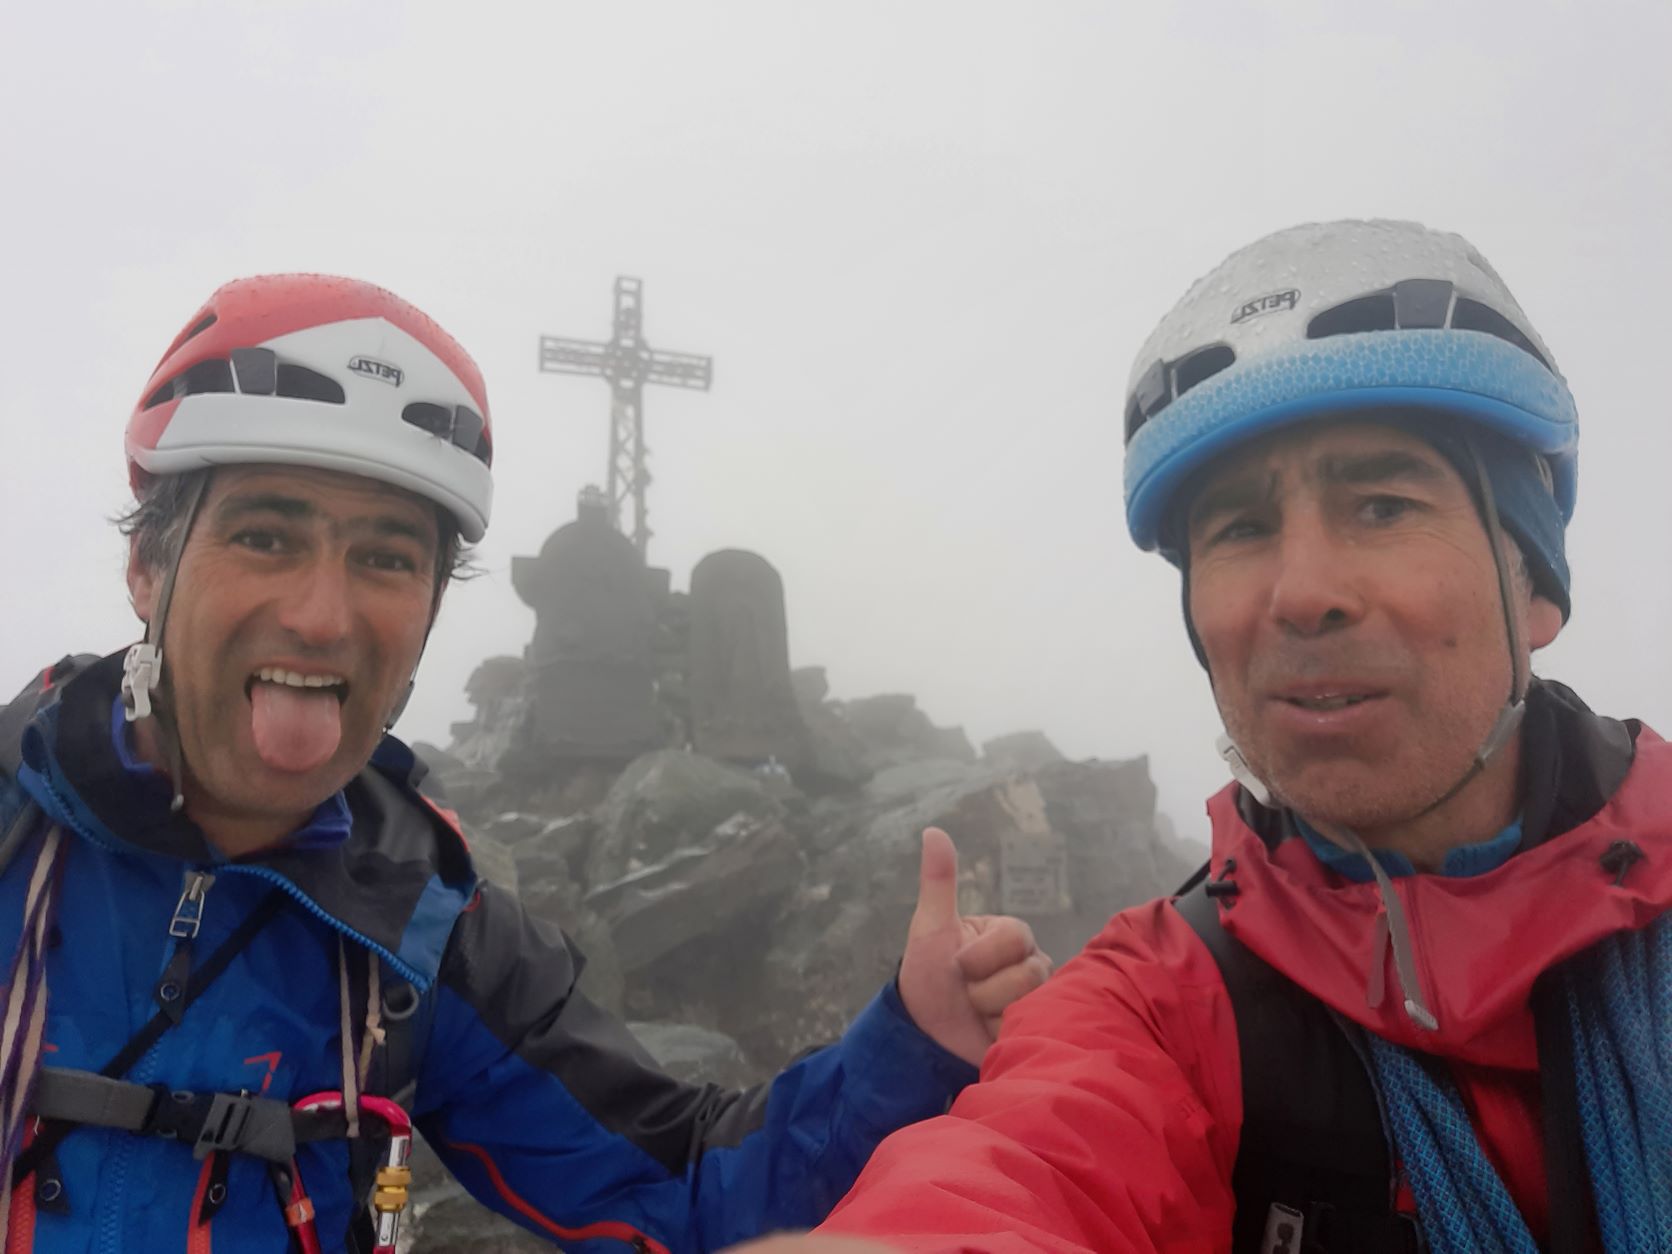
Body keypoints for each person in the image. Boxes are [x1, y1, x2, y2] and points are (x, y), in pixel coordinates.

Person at [0, 274, 1051, 1252]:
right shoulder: (16, 826)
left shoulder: (424, 928)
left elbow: (680, 1184)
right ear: (146, 565)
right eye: (267, 537)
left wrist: (912, 1043)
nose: (322, 616)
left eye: (385, 559)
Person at [743, 218, 1672, 1253]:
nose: (1301, 593)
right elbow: (1022, 1172)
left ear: (1533, 585)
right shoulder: (1155, 1006)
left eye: (1380, 503)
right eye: (1237, 529)